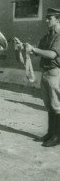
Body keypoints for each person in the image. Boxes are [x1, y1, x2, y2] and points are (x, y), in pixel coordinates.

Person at [24, 8, 60, 147]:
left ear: (58, 19)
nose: (46, 20)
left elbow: (52, 55)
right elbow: (37, 50)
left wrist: (34, 50)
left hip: (55, 73)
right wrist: (25, 47)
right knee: (49, 105)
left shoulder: (59, 35)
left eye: (49, 18)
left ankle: (57, 136)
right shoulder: (48, 35)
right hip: (46, 73)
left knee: (57, 106)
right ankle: (50, 133)